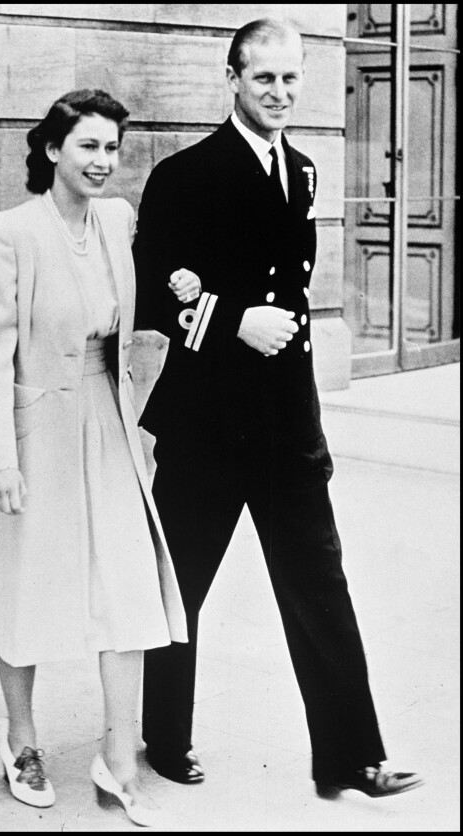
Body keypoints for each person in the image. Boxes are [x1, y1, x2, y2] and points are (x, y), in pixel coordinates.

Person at [133, 19, 423, 799]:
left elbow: (289, 288)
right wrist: (231, 320)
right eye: (265, 79)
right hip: (207, 426)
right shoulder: (185, 175)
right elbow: (157, 285)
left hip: (285, 425)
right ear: (232, 78)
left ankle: (353, 756)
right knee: (180, 584)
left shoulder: (302, 168)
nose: (281, 93)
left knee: (321, 585)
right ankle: (164, 737)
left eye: (292, 79)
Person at [0, 88, 187, 827]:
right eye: (89, 147)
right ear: (51, 150)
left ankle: (119, 755)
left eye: (112, 148)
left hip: (106, 419)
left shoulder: (119, 219)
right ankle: (21, 741)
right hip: (35, 426)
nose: (104, 162)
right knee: (26, 591)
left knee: (128, 590)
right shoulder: (5, 232)